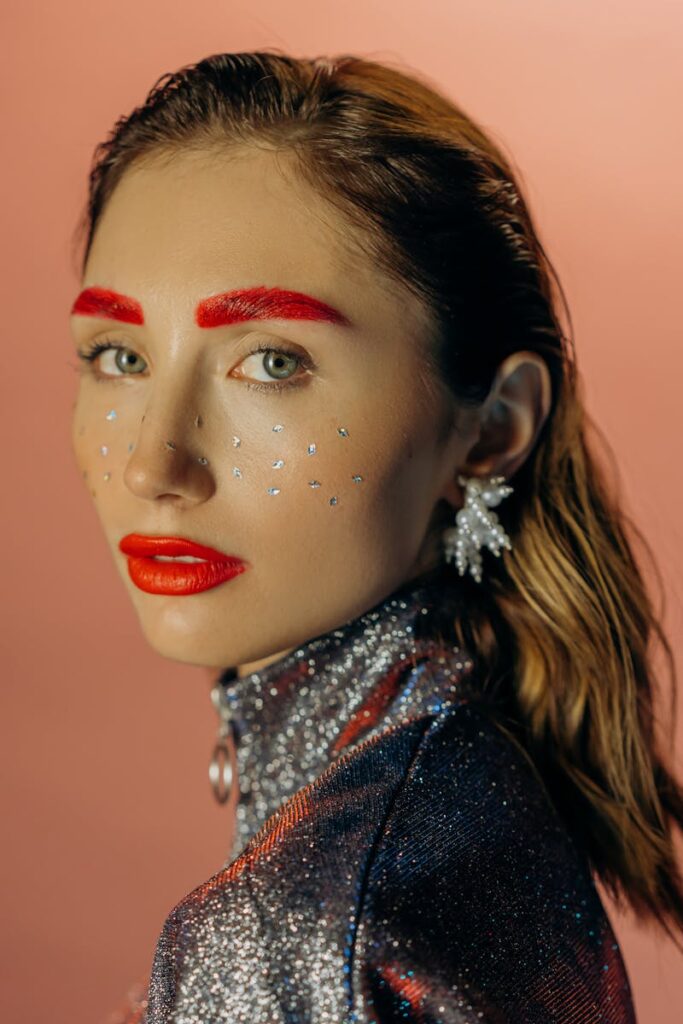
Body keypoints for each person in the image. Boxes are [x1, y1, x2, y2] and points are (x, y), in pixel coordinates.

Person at [67, 50, 683, 1024]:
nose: (153, 462)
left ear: (489, 427)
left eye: (271, 360)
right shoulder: (466, 777)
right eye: (118, 355)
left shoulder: (290, 927)